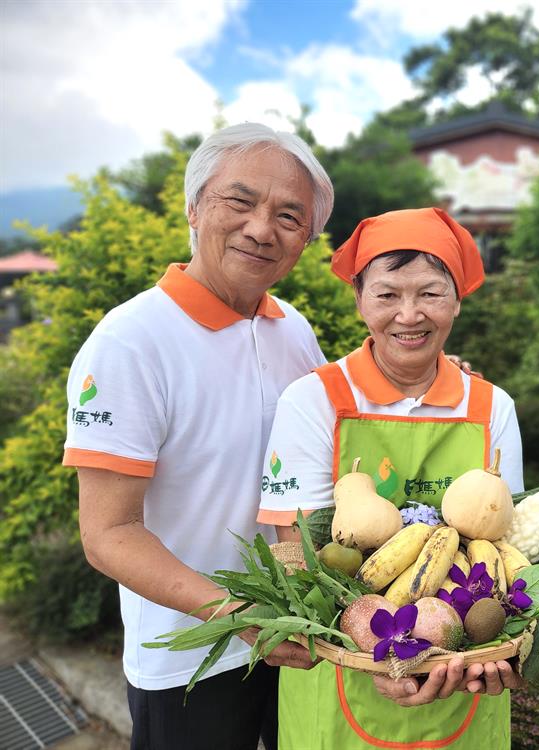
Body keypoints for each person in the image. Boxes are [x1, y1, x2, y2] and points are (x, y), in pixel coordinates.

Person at [64, 122, 335, 750]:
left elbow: (337, 435)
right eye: (239, 201)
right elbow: (108, 535)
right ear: (193, 207)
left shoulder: (291, 327)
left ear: (306, 240)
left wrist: (420, 380)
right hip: (191, 657)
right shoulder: (129, 342)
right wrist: (241, 617)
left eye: (290, 216)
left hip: (301, 635)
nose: (263, 228)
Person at [257, 207, 525, 749]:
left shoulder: (490, 406)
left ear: (456, 299)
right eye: (387, 295)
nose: (409, 315)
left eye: (430, 293)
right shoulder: (315, 401)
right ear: (359, 299)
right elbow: (305, 560)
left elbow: (506, 544)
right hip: (337, 684)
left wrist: (507, 651)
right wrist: (375, 655)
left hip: (464, 683)